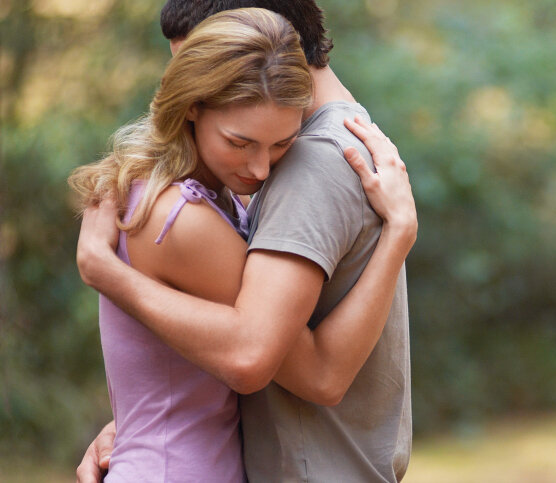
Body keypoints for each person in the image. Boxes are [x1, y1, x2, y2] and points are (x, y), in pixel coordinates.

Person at [70, 6, 415, 482]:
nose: (260, 169)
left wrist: (137, 424)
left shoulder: (293, 169)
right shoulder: (182, 215)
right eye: (240, 142)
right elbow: (269, 360)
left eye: (278, 145)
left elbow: (204, 371)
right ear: (193, 103)